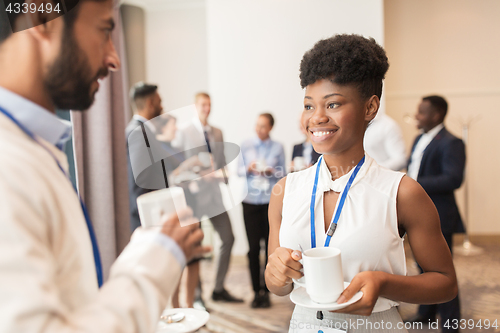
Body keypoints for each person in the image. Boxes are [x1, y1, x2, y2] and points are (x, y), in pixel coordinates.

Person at [0, 1, 208, 332]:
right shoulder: (8, 166)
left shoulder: (35, 147)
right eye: (104, 30)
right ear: (40, 17)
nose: (114, 59)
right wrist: (156, 261)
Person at [265, 34, 458, 332]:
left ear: (370, 108)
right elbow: (278, 287)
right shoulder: (285, 190)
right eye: (308, 106)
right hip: (303, 325)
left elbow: (445, 284)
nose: (316, 118)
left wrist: (383, 283)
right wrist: (275, 275)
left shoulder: (402, 192)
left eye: (332, 104)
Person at [173, 92, 243, 303]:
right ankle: (197, 297)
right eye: (203, 104)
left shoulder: (218, 132)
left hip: (215, 197)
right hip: (192, 199)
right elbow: (179, 169)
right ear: (196, 106)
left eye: (209, 104)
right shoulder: (184, 132)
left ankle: (218, 288)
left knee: (228, 238)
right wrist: (200, 176)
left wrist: (224, 175)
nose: (207, 108)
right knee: (195, 246)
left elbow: (220, 163)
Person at [406, 95, 465, 332]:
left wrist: (413, 183)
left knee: (442, 272)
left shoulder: (452, 142)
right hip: (416, 213)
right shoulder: (419, 138)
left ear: (436, 115)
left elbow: (453, 178)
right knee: (422, 266)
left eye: (421, 112)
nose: (417, 116)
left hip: (440, 214)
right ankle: (427, 312)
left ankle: (451, 324)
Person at [238, 113, 286, 308]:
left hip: (269, 201)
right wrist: (249, 168)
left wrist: (271, 171)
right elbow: (238, 170)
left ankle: (266, 291)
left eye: (263, 126)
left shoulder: (278, 147)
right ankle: (255, 291)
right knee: (252, 249)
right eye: (257, 125)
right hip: (249, 201)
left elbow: (284, 172)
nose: (259, 129)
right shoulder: (245, 145)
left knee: (269, 247)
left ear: (270, 128)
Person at [126, 82, 164, 232]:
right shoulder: (138, 133)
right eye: (160, 102)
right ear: (150, 103)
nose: (162, 107)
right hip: (147, 219)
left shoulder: (143, 131)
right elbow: (140, 183)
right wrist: (151, 220)